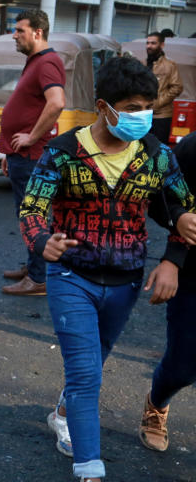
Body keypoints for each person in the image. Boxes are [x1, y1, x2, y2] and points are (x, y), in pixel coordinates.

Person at [19, 56, 196, 482]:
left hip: (125, 281)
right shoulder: (64, 152)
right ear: (104, 106)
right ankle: (90, 469)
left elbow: (182, 211)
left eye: (146, 107)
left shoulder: (157, 156)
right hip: (71, 275)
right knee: (85, 374)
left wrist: (173, 256)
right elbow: (32, 207)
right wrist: (45, 241)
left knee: (94, 361)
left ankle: (63, 413)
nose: (141, 116)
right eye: (132, 107)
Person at [0, 9, 65, 296]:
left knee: (33, 215)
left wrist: (31, 138)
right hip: (21, 156)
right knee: (28, 214)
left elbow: (57, 103)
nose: (15, 35)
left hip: (32, 156)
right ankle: (34, 265)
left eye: (20, 30)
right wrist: (8, 152)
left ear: (37, 33)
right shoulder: (36, 61)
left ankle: (38, 279)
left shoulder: (47, 62)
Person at [139, 131, 196, 453]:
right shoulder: (192, 147)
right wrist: (178, 218)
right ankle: (156, 403)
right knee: (181, 368)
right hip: (193, 273)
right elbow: (162, 195)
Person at [144, 31, 182, 145]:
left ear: (162, 45)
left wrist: (157, 103)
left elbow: (177, 87)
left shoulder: (170, 65)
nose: (149, 46)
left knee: (159, 150)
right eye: (147, 43)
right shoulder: (143, 63)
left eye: (153, 43)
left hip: (161, 116)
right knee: (141, 148)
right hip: (143, 114)